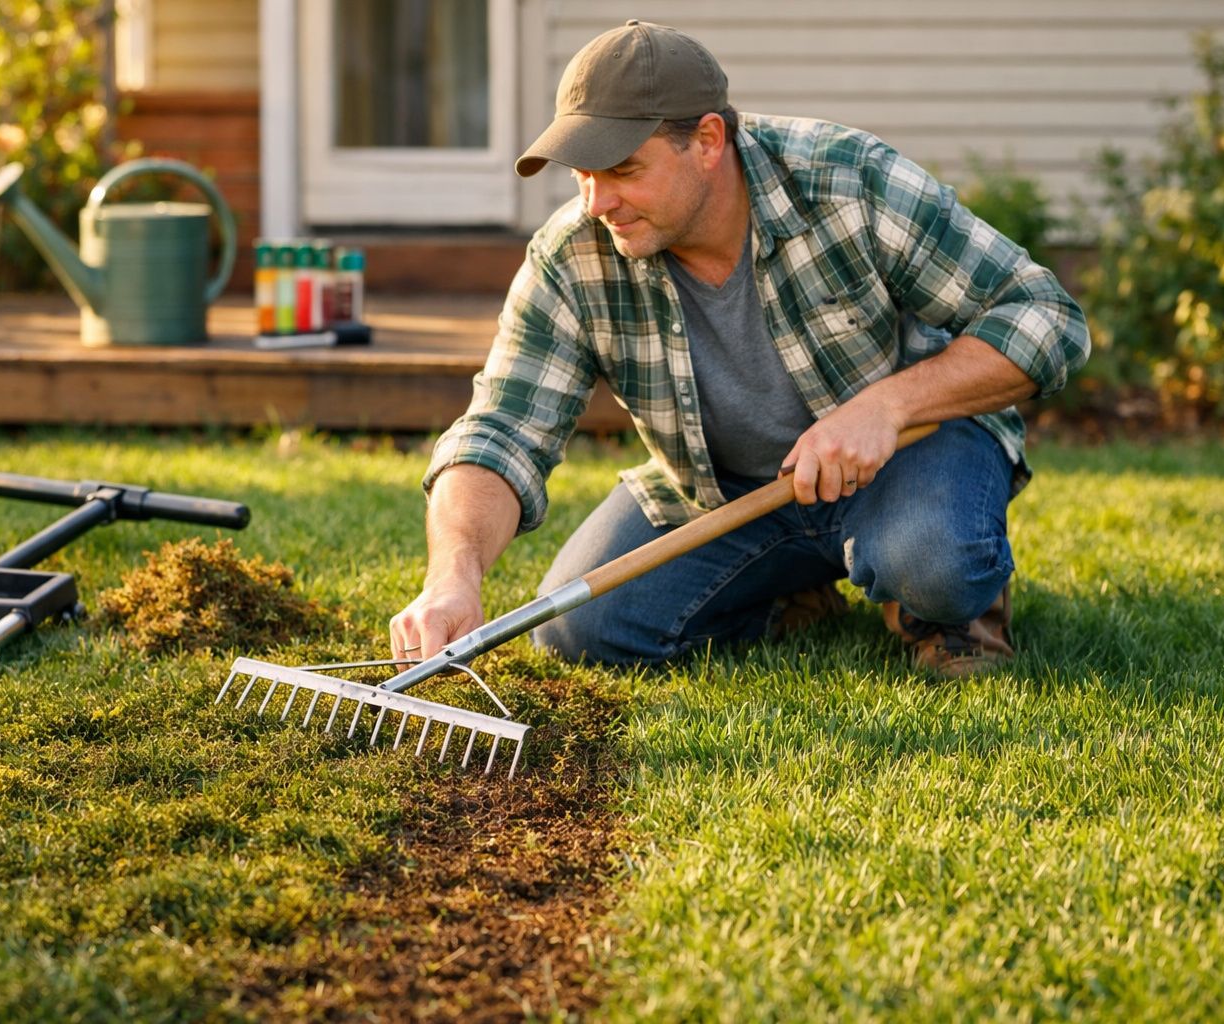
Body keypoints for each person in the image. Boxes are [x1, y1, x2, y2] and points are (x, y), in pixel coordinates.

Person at [389, 20, 1089, 678]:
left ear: (708, 141)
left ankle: (942, 606)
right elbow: (502, 429)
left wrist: (887, 406)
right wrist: (452, 576)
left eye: (623, 170)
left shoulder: (847, 181)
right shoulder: (572, 257)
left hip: (906, 455)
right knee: (582, 632)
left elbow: (1046, 316)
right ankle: (794, 596)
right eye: (581, 174)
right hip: (726, 492)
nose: (597, 202)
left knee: (932, 559)